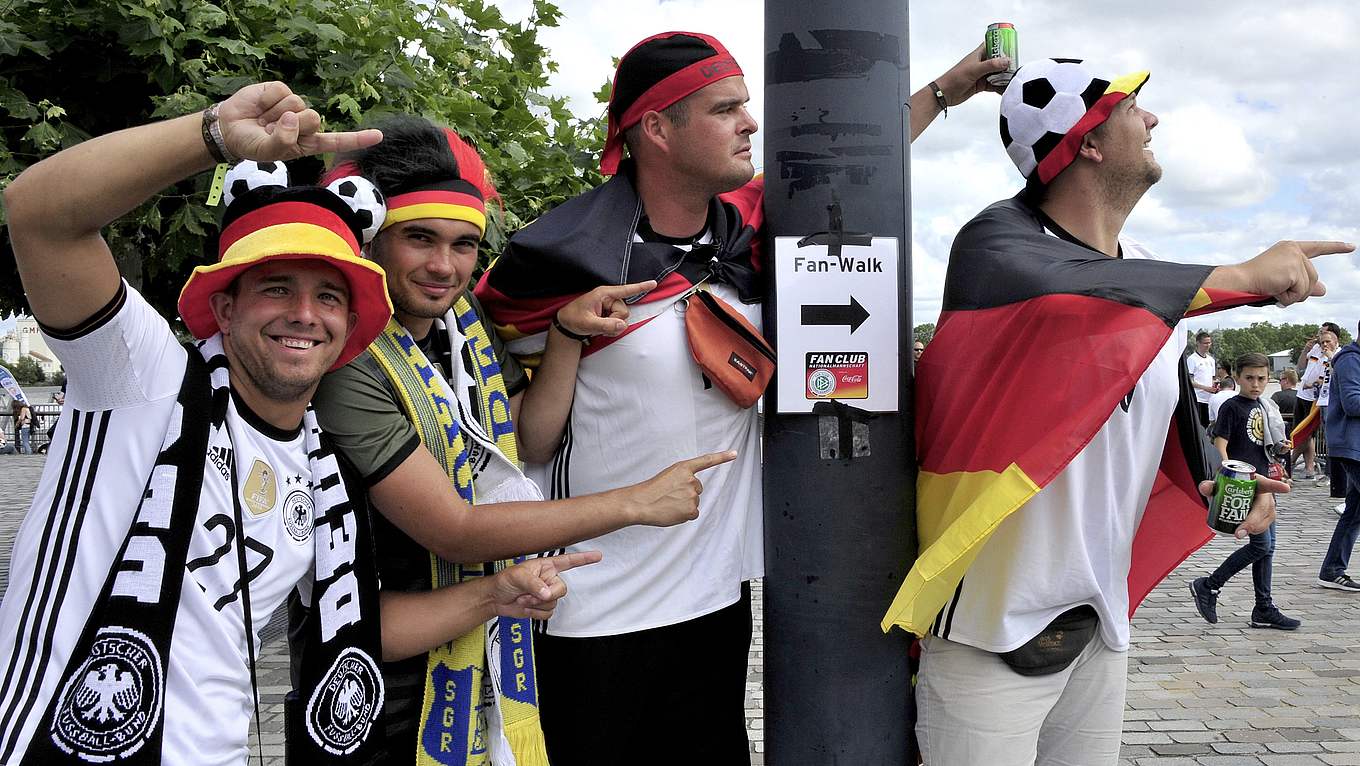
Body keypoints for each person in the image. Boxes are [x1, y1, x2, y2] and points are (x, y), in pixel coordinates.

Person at [0, 81, 583, 766]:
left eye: (329, 295)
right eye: (276, 286)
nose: (305, 314)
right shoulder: (146, 382)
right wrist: (213, 134)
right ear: (221, 308)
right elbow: (38, 213)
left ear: (351, 325)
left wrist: (495, 593)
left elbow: (364, 624)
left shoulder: (320, 464)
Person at [475, 30, 1011, 763]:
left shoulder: (744, 230)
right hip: (588, 611)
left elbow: (846, 162)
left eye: (746, 107)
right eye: (726, 109)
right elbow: (518, 433)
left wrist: (948, 90)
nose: (751, 124)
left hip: (717, 604)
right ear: (656, 129)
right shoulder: (559, 258)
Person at [882, 57, 1344, 765]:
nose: (1153, 120)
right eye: (1135, 109)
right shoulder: (996, 250)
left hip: (1100, 626)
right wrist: (1244, 278)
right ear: (1088, 141)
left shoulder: (1152, 271)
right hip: (987, 635)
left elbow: (1156, 419)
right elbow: (1084, 292)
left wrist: (1213, 487)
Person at [306, 114, 732, 764]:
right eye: (419, 238)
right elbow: (454, 529)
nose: (444, 267)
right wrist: (635, 505)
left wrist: (564, 336)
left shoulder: (461, 323)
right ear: (371, 240)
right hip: (376, 678)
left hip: (476, 642)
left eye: (464, 244)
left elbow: (529, 439)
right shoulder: (349, 358)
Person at [1190, 353, 1299, 630]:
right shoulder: (1232, 407)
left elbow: (1260, 443)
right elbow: (1220, 443)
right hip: (1245, 482)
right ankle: (1210, 585)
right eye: (1249, 378)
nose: (1256, 384)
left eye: (1262, 378)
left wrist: (1280, 448)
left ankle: (1263, 607)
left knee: (1268, 548)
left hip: (1263, 479)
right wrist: (1227, 473)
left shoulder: (1264, 406)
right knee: (1262, 545)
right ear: (1237, 377)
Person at [1318, 324, 1360, 591]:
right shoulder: (1349, 359)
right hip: (1351, 446)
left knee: (1355, 512)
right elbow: (1353, 403)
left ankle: (1332, 569)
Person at [1296, 323, 1341, 478]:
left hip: (1322, 399)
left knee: (1310, 433)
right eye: (1321, 338)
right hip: (1311, 396)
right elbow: (1300, 367)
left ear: (1335, 339)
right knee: (1306, 432)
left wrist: (1315, 384)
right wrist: (1305, 350)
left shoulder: (1339, 355)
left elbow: (1337, 376)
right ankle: (1311, 469)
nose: (1323, 341)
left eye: (1325, 336)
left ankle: (1291, 461)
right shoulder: (1316, 349)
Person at [1186, 330, 1217, 425]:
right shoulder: (1192, 359)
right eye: (1205, 343)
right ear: (1198, 343)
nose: (1208, 345)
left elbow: (1212, 378)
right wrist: (1205, 388)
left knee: (1209, 424)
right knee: (1199, 425)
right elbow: (1190, 381)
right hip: (1197, 398)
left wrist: (1214, 387)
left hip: (1210, 399)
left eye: (1209, 343)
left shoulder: (1211, 360)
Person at [1273, 368, 1299, 476]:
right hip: (1299, 433)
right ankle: (1309, 468)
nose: (1279, 383)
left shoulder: (1277, 396)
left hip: (1282, 434)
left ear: (1286, 380)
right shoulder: (1300, 396)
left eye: (1280, 380)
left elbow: (1271, 415)